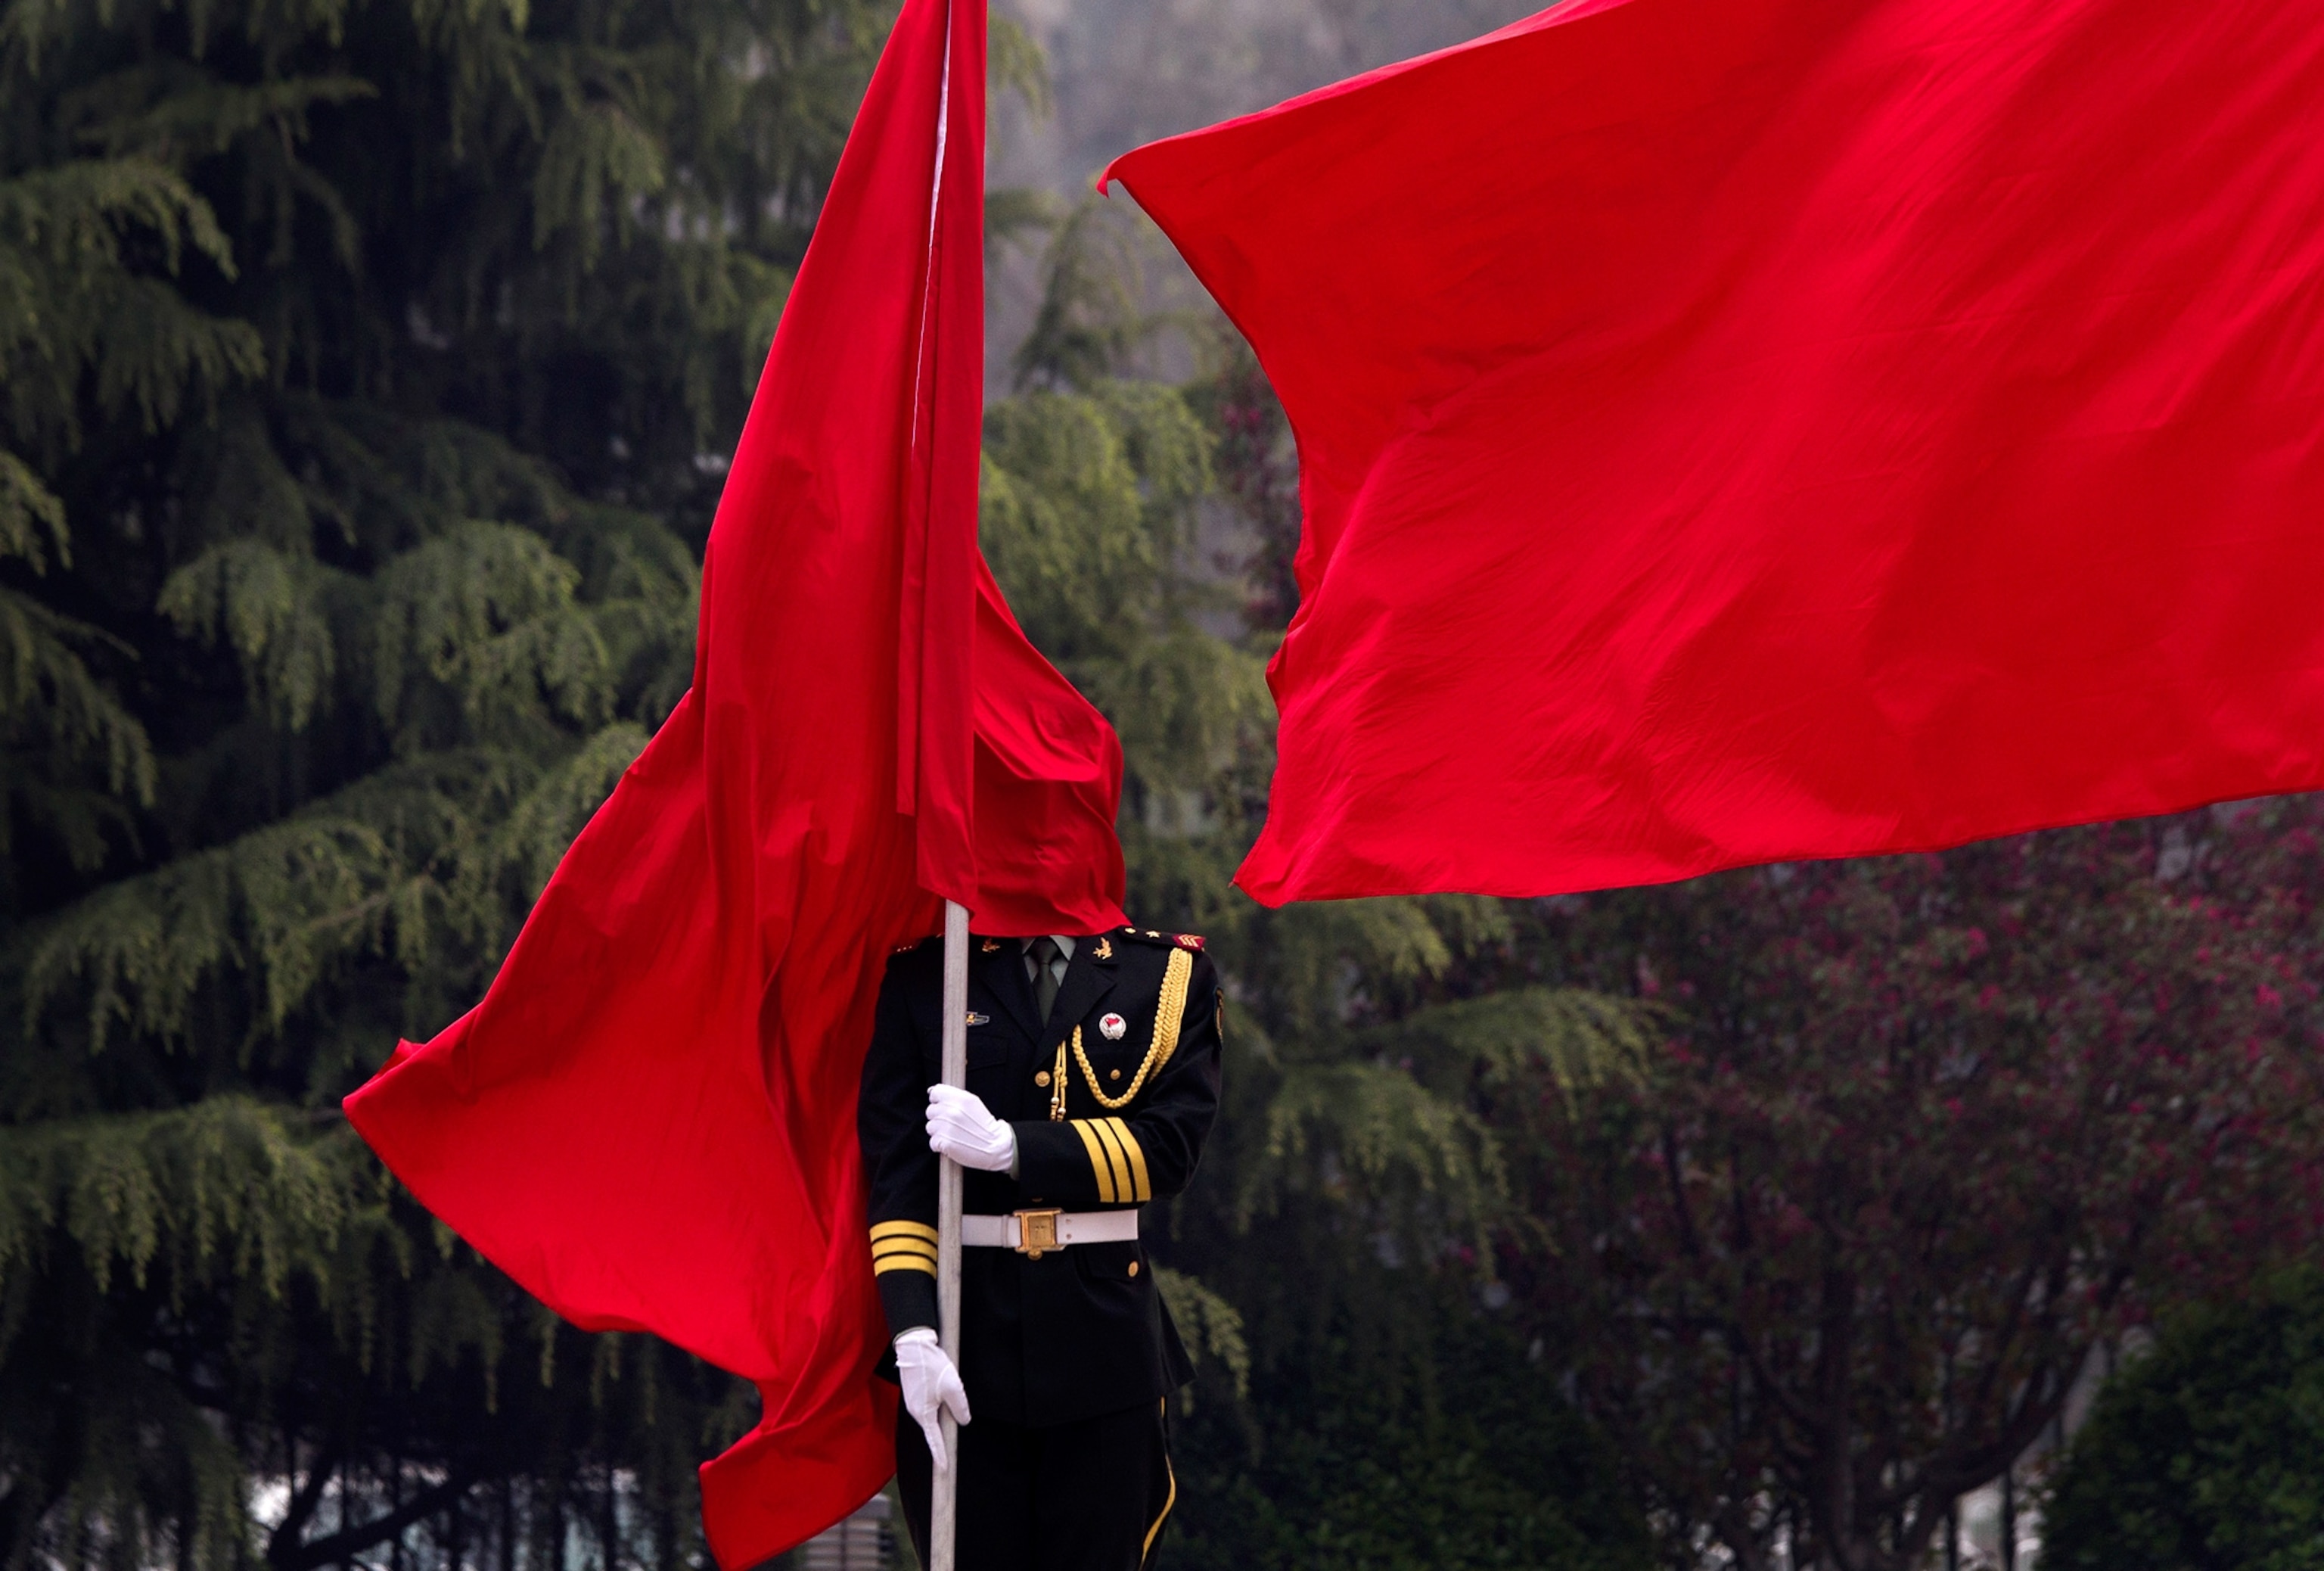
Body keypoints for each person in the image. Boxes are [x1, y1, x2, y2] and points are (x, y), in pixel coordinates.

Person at [858, 922, 1224, 1571]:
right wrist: (913, 1329)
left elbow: (1172, 1149)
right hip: (965, 1339)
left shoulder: (1165, 975)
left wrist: (1015, 1148)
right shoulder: (929, 975)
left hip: (1102, 1342)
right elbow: (897, 1178)